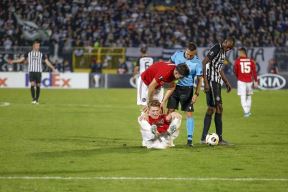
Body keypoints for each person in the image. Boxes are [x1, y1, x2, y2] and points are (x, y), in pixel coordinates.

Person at [200, 37, 235, 145]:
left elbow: (219, 69)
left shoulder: (224, 53)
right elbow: (204, 62)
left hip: (217, 82)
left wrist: (227, 82)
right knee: (218, 107)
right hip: (211, 81)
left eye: (226, 43)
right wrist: (205, 82)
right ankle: (218, 139)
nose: (223, 43)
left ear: (228, 49)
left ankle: (204, 138)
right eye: (224, 42)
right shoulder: (216, 48)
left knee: (212, 108)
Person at [167, 42, 202, 146]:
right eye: (188, 54)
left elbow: (200, 79)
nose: (190, 56)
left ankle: (189, 140)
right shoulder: (177, 55)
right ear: (185, 50)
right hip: (174, 88)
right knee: (170, 112)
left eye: (192, 55)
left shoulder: (197, 62)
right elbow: (169, 64)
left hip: (188, 90)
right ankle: (166, 137)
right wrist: (169, 78)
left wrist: (196, 94)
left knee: (189, 114)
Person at [8, 40, 57, 104]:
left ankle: (37, 99)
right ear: (33, 46)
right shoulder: (28, 53)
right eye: (37, 45)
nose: (38, 47)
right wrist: (13, 61)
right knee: (32, 84)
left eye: (39, 45)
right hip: (31, 71)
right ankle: (34, 99)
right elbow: (21, 59)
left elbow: (47, 62)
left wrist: (53, 68)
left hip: (38, 71)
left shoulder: (42, 54)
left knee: (38, 85)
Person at [233, 47, 258, 117]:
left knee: (243, 97)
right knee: (249, 96)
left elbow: (235, 71)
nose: (238, 54)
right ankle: (248, 111)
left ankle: (246, 112)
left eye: (239, 52)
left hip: (241, 81)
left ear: (242, 53)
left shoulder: (237, 61)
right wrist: (256, 81)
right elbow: (254, 72)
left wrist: (238, 76)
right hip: (249, 81)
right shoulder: (251, 61)